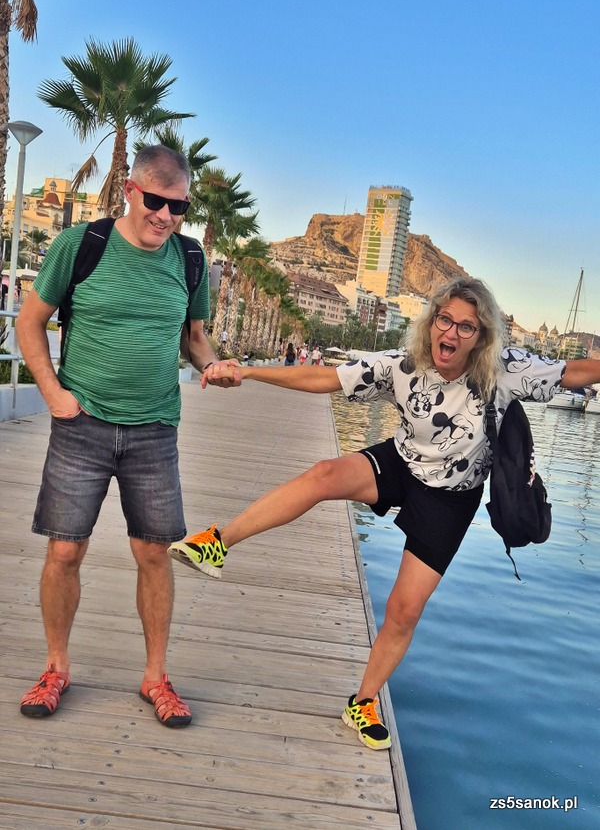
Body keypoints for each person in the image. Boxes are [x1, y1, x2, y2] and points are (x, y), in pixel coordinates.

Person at [168, 276, 600, 750]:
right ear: (431, 322)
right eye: (445, 320)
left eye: (466, 327)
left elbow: (574, 372)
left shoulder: (503, 371)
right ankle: (218, 542)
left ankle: (363, 702)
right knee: (325, 473)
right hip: (401, 462)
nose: (452, 333)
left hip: (451, 497)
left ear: (481, 337)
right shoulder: (403, 364)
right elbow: (325, 379)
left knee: (403, 610)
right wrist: (249, 373)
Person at [15, 144, 234, 728]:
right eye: (157, 202)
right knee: (65, 550)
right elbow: (29, 323)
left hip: (154, 430)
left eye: (179, 206)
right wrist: (52, 393)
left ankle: (156, 677)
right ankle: (56, 668)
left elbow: (194, 338)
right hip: (80, 425)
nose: (166, 216)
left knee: (154, 553)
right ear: (130, 192)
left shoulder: (190, 258)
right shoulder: (80, 245)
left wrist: (212, 363)